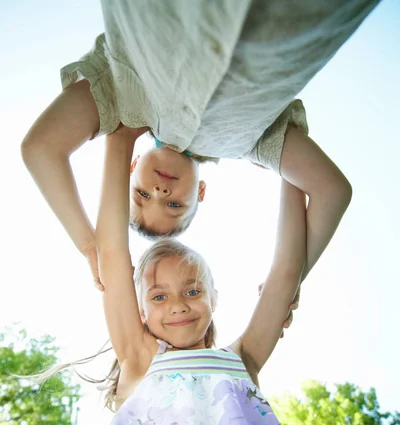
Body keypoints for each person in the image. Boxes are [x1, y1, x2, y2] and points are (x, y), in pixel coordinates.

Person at [14, 128, 387, 425]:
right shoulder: (139, 356)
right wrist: (120, 142)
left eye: (192, 291)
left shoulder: (242, 358)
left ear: (213, 298)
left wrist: (286, 169)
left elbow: (286, 272)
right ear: (140, 310)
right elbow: (112, 251)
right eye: (158, 295)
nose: (178, 305)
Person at [21, 0, 380, 284]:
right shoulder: (253, 142)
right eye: (175, 205)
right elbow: (332, 192)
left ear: (131, 169)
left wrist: (89, 245)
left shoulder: (118, 100)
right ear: (201, 193)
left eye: (142, 194)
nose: (160, 194)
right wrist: (294, 277)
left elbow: (39, 149)